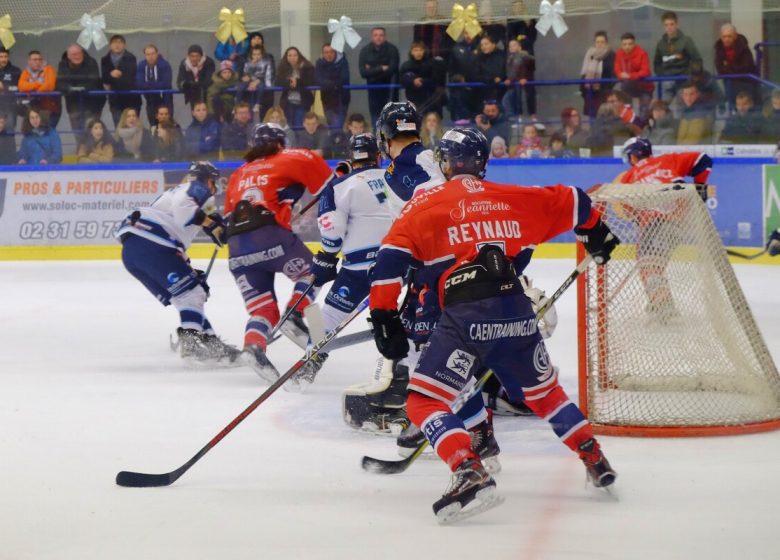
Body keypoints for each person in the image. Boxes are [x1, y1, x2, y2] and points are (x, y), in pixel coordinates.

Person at [367, 127, 618, 522]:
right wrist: (596, 232)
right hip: (514, 309)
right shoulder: (512, 197)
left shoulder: (426, 200)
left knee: (422, 400)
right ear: (483, 162)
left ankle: (469, 469)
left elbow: (390, 259)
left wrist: (383, 314)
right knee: (546, 394)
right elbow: (574, 199)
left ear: (446, 162)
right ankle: (596, 460)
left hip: (465, 313)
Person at [222, 123, 334, 383]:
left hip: (237, 250)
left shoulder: (239, 173)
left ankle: (253, 346)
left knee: (263, 310)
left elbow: (229, 215)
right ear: (281, 142)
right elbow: (332, 188)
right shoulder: (294, 156)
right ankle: (296, 313)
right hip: (270, 236)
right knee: (313, 272)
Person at [116, 161, 238, 362]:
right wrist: (211, 225)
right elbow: (184, 211)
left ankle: (212, 343)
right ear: (209, 180)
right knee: (193, 294)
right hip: (153, 245)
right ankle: (190, 349)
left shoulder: (173, 193)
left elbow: (172, 222)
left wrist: (187, 266)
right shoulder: (197, 187)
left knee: (186, 295)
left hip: (135, 252)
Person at [309, 133, 393, 386]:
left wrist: (325, 257)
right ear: (378, 156)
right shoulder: (398, 179)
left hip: (358, 269)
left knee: (324, 317)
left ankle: (309, 356)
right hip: (400, 265)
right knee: (407, 317)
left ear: (350, 157)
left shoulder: (339, 185)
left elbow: (332, 232)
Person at [615, 137, 712, 319]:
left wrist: (637, 216)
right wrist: (700, 186)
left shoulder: (629, 176)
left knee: (648, 265)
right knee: (653, 262)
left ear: (633, 156)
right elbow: (703, 160)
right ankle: (658, 299)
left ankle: (663, 303)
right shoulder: (668, 160)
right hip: (681, 223)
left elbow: (627, 211)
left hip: (655, 224)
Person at [56, 44, 105, 137]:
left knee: (92, 133)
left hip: (93, 104)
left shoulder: (91, 62)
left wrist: (78, 89)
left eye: (79, 53)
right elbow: (60, 83)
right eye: (74, 54)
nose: (77, 56)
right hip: (73, 104)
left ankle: (91, 151)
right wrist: (70, 89)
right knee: (78, 134)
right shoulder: (62, 64)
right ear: (68, 56)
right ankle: (81, 150)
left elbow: (93, 81)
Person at [653, 11, 702, 102]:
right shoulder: (660, 44)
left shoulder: (686, 41)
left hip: (683, 81)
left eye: (671, 24)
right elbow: (657, 63)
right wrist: (663, 75)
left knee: (682, 109)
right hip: (666, 81)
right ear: (663, 26)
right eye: (666, 25)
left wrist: (689, 74)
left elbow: (697, 60)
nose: (669, 27)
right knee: (660, 107)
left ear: (677, 24)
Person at [359, 28, 400, 125]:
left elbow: (393, 69)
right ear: (371, 37)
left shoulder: (392, 49)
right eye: (376, 35)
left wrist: (372, 70)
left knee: (392, 121)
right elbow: (363, 73)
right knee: (376, 121)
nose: (378, 38)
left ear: (385, 37)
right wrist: (381, 68)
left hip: (390, 91)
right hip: (373, 93)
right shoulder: (365, 51)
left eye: (381, 35)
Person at [714, 24, 759, 109]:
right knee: (732, 107)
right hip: (729, 84)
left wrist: (728, 66)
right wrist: (734, 68)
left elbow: (746, 68)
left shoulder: (744, 47)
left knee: (748, 107)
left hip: (746, 82)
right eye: (724, 37)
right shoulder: (719, 48)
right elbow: (720, 69)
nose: (726, 39)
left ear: (735, 36)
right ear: (721, 37)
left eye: (729, 36)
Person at [100, 34, 141, 126]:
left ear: (124, 45)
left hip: (131, 100)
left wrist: (112, 80)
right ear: (110, 45)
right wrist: (111, 75)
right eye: (114, 42)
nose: (117, 45)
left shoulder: (131, 58)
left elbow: (129, 79)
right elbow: (105, 79)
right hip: (115, 100)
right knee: (119, 127)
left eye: (120, 42)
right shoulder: (105, 60)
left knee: (132, 128)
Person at [18, 50, 60, 128]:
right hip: (32, 109)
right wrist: (38, 84)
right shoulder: (26, 72)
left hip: (49, 109)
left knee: (47, 132)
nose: (37, 62)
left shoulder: (49, 69)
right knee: (30, 132)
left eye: (39, 59)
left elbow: (49, 86)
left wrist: (34, 92)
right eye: (34, 60)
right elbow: (21, 87)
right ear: (29, 61)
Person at [614, 32, 653, 119]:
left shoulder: (642, 53)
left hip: (645, 87)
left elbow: (645, 71)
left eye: (630, 44)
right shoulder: (619, 54)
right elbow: (617, 71)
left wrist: (629, 76)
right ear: (621, 45)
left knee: (644, 113)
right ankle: (629, 127)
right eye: (624, 44)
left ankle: (642, 129)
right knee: (627, 113)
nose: (627, 47)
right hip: (628, 87)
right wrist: (622, 76)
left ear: (634, 44)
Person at [276, 47, 315, 128]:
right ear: (286, 57)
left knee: (299, 127)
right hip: (288, 103)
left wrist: (298, 82)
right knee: (289, 127)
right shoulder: (283, 68)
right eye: (289, 56)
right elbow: (277, 82)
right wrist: (289, 82)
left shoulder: (307, 67)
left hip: (302, 102)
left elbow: (311, 80)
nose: (292, 58)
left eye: (294, 55)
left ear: (299, 56)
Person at [580, 31, 615, 118]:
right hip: (591, 90)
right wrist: (583, 88)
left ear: (606, 42)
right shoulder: (590, 54)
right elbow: (584, 72)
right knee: (592, 116)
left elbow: (612, 72)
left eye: (602, 42)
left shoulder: (611, 54)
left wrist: (607, 86)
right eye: (597, 42)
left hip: (604, 90)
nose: (599, 44)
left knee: (605, 116)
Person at [314, 43, 351, 128]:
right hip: (327, 99)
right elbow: (317, 79)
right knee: (332, 124)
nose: (329, 54)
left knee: (338, 125)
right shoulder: (319, 63)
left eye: (331, 52)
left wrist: (327, 81)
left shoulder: (342, 61)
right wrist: (333, 83)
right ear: (323, 54)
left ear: (335, 52)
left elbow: (344, 78)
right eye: (326, 52)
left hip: (341, 98)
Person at [400, 42, 441, 116]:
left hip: (429, 98)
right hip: (412, 98)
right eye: (415, 50)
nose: (418, 53)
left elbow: (436, 79)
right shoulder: (406, 65)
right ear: (411, 52)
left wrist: (423, 81)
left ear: (424, 51)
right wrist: (412, 81)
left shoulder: (432, 64)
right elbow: (401, 79)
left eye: (420, 50)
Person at [136, 44, 173, 126]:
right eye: (148, 54)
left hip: (165, 100)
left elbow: (166, 84)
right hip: (150, 101)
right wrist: (156, 84)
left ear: (157, 54)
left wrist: (148, 84)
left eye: (153, 53)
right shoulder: (141, 65)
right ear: (145, 55)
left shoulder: (165, 65)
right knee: (153, 125)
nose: (151, 56)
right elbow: (140, 84)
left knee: (167, 125)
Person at [448, 30, 480, 123]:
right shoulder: (456, 48)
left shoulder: (482, 46)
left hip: (478, 88)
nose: (468, 35)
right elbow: (451, 69)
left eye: (470, 32)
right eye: (466, 33)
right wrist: (457, 78)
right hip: (460, 88)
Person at [502, 38, 536, 122]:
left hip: (526, 81)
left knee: (529, 97)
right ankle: (519, 116)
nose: (512, 47)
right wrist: (509, 79)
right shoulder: (510, 59)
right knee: (516, 98)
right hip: (515, 82)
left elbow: (529, 69)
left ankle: (533, 116)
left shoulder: (526, 57)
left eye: (514, 45)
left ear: (520, 47)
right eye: (510, 46)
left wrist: (525, 78)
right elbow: (511, 71)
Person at [237, 44, 275, 118]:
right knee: (241, 87)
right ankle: (237, 104)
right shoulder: (248, 63)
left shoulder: (267, 62)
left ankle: (257, 104)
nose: (256, 56)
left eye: (258, 54)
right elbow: (246, 73)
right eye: (254, 54)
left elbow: (268, 75)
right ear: (251, 55)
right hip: (249, 83)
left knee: (261, 87)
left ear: (262, 55)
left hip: (261, 82)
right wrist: (251, 66)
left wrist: (264, 83)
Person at [176, 44, 216, 108]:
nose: (194, 58)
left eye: (197, 56)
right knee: (195, 115)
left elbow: (209, 81)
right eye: (192, 56)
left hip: (207, 95)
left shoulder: (209, 62)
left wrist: (194, 84)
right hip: (192, 95)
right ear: (188, 56)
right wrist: (185, 85)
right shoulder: (184, 64)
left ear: (201, 56)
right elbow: (179, 81)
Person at [475, 35, 506, 108]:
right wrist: (491, 79)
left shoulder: (502, 56)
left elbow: (505, 70)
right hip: (484, 91)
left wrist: (501, 78)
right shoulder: (479, 58)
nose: (483, 47)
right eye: (482, 45)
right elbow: (476, 74)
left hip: (501, 91)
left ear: (493, 44)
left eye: (486, 44)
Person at [0, 47, 21, 132]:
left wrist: (4, 87)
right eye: (1, 57)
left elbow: (19, 88)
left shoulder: (15, 71)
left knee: (9, 134)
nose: (3, 59)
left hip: (10, 108)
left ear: (8, 57)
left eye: (5, 56)